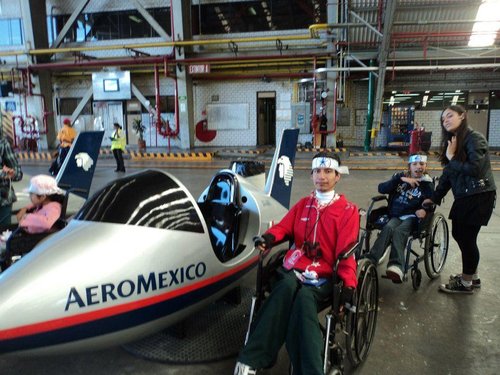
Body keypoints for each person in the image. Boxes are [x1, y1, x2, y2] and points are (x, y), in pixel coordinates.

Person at [234, 152, 359, 375]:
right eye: (317, 171)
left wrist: (349, 284)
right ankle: (252, 358)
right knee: (284, 288)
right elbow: (284, 227)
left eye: (328, 171)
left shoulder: (347, 211)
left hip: (325, 274)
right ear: (311, 175)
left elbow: (346, 253)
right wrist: (269, 237)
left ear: (337, 176)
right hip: (295, 268)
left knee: (303, 300)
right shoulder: (304, 205)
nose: (322, 176)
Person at [423, 105, 496, 294]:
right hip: (465, 196)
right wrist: (435, 197)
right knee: (463, 236)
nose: (445, 120)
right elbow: (449, 174)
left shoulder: (475, 138)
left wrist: (451, 156)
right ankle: (472, 277)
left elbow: (475, 169)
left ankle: (465, 283)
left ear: (462, 116)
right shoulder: (453, 140)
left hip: (479, 195)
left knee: (466, 238)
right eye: (443, 118)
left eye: (449, 116)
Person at [364, 153, 434, 283]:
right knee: (388, 228)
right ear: (409, 166)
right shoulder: (400, 178)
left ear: (425, 166)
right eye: (415, 164)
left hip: (412, 217)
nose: (418, 167)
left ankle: (396, 266)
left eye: (421, 164)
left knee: (399, 231)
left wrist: (424, 209)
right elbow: (381, 188)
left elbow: (431, 200)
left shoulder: (427, 183)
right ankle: (371, 258)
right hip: (396, 215)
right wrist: (401, 179)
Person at [0, 136, 23, 226]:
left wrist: (10, 173)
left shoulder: (3, 144)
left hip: (3, 199)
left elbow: (18, 173)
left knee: (4, 235)